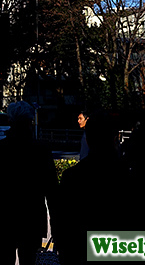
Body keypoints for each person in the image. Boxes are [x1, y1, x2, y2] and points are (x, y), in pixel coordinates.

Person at [0, 101, 58, 265]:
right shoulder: (41, 150)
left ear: (10, 121)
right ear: (30, 122)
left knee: (4, 259)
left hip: (5, 217)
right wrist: (57, 227)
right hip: (32, 218)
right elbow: (52, 192)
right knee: (29, 259)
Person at [54, 113, 127, 264]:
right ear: (114, 138)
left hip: (79, 251)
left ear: (87, 139)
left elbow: (62, 219)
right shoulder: (128, 177)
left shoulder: (71, 177)